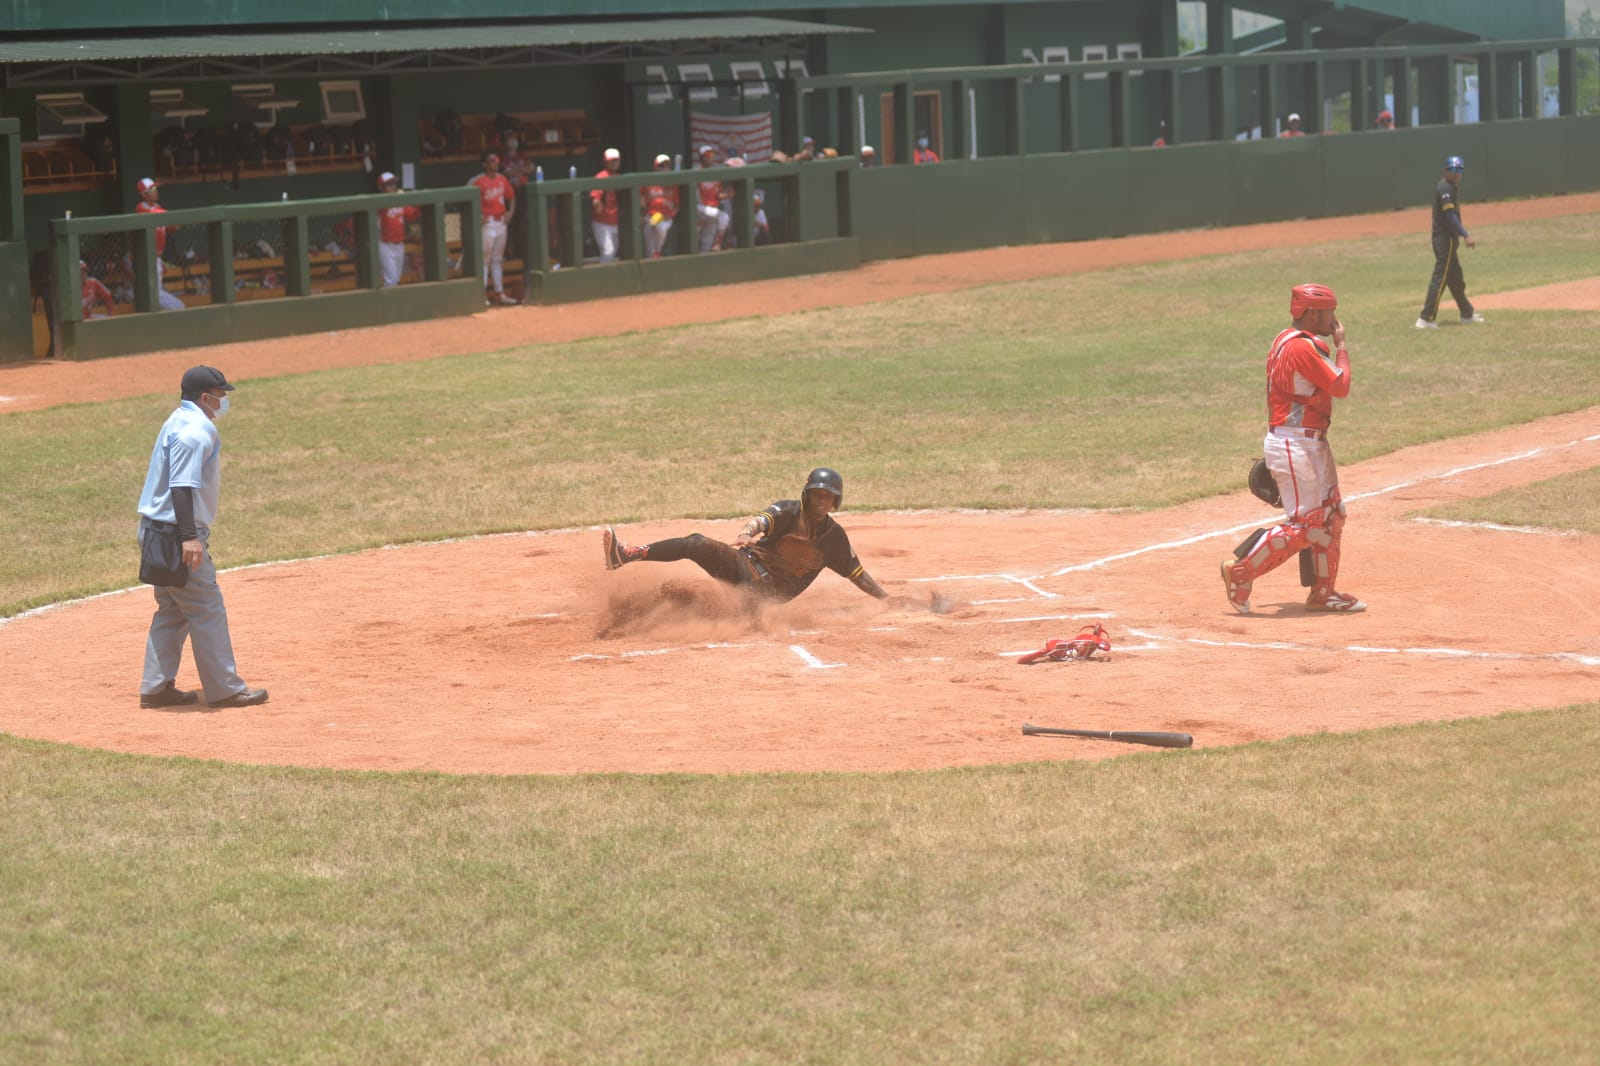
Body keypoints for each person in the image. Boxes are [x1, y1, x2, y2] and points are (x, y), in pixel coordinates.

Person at [1220, 284, 1366, 615]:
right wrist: (1342, 347)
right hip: (1293, 442)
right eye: (1329, 311)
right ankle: (1240, 572)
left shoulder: (1290, 340)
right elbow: (1340, 385)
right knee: (1305, 524)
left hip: (1310, 441)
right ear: (1312, 313)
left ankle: (1322, 593)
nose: (1334, 318)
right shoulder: (1301, 348)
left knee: (1331, 517)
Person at [137, 365, 269, 709]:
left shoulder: (178, 418)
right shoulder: (195, 431)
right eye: (220, 395)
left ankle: (155, 688)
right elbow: (181, 487)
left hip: (156, 530)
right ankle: (225, 689)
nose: (223, 401)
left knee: (173, 610)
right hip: (174, 534)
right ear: (205, 397)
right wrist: (189, 538)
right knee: (206, 607)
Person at [601, 467, 892, 606]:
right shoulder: (790, 512)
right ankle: (627, 554)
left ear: (836, 502)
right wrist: (745, 533)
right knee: (697, 544)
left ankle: (644, 609)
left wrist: (886, 599)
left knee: (704, 600)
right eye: (817, 495)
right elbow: (761, 521)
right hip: (746, 567)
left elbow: (857, 574)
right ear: (807, 495)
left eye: (828, 498)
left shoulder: (835, 539)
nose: (822, 501)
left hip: (764, 595)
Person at [1415, 155, 1484, 329]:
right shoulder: (1444, 188)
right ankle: (1426, 318)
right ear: (1446, 171)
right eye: (1453, 170)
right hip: (1444, 240)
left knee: (1455, 279)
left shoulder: (1451, 187)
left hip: (1449, 240)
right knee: (1440, 278)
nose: (1457, 173)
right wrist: (1465, 234)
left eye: (1460, 170)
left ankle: (1466, 313)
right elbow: (1450, 216)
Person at [467, 151, 517, 304]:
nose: (495, 163)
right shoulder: (478, 181)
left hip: (501, 222)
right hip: (487, 223)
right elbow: (465, 197)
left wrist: (511, 212)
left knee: (497, 259)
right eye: (492, 161)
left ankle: (499, 293)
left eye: (496, 160)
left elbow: (512, 197)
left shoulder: (502, 179)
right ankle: (481, 296)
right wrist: (477, 215)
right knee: (484, 260)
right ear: (485, 164)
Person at [134, 178, 186, 311]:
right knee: (153, 294)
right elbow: (162, 216)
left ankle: (175, 311)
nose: (156, 191)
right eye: (152, 189)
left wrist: (176, 224)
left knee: (155, 292)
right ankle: (178, 310)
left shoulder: (157, 207)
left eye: (156, 189)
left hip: (157, 258)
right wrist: (173, 218)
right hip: (147, 258)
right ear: (144, 194)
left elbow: (172, 226)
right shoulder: (141, 208)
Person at [377, 171, 420, 288]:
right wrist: (397, 197)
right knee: (390, 280)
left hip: (399, 244)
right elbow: (381, 207)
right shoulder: (378, 201)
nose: (392, 187)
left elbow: (412, 216)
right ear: (381, 188)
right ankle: (388, 305)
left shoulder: (400, 200)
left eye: (393, 184)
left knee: (396, 279)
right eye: (388, 184)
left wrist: (420, 205)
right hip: (385, 245)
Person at [640, 153, 679, 259]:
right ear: (656, 167)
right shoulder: (648, 181)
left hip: (666, 217)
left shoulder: (673, 183)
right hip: (651, 217)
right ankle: (653, 255)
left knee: (660, 227)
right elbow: (640, 199)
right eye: (662, 166)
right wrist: (642, 212)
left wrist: (671, 215)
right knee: (648, 249)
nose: (665, 168)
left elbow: (676, 205)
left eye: (667, 166)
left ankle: (657, 251)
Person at [694, 145, 730, 252]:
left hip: (712, 211)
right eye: (706, 155)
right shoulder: (696, 172)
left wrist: (728, 194)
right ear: (701, 158)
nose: (710, 157)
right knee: (724, 217)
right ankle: (718, 243)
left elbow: (718, 195)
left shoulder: (716, 172)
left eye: (711, 154)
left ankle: (701, 266)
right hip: (700, 209)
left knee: (706, 246)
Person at [590, 147, 622, 263]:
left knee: (613, 252)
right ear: (605, 162)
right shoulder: (601, 176)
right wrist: (597, 203)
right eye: (610, 161)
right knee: (608, 251)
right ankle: (602, 278)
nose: (613, 163)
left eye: (615, 160)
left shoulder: (620, 177)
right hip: (601, 222)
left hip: (616, 221)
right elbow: (595, 197)